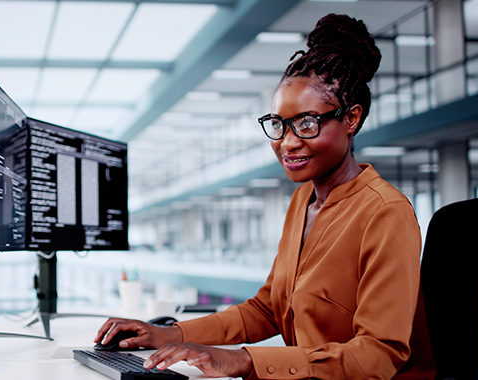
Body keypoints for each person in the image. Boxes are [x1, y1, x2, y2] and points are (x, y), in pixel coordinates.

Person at [94, 13, 436, 379]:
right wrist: (168, 333)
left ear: (351, 118)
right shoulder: (302, 201)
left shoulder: (385, 213)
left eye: (307, 123)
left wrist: (245, 360)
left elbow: (378, 355)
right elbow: (268, 309)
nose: (287, 142)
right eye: (278, 125)